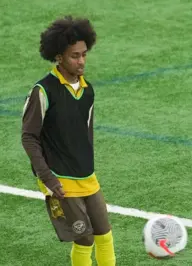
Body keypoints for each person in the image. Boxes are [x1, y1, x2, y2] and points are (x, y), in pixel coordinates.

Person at [21, 16, 116, 266]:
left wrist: (89, 163)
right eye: (75, 55)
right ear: (59, 56)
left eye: (84, 54)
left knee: (104, 235)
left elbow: (87, 134)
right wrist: (47, 179)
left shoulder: (87, 90)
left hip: (87, 175)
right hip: (59, 177)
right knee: (84, 239)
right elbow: (29, 138)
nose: (81, 60)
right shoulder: (42, 91)